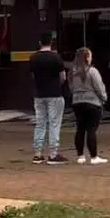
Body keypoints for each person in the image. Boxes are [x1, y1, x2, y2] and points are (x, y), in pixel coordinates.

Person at [29, 31, 67, 164]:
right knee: (54, 123)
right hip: (54, 93)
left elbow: (33, 76)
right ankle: (53, 154)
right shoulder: (56, 58)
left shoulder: (33, 58)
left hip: (39, 94)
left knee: (40, 123)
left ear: (40, 43)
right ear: (51, 42)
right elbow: (63, 77)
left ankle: (38, 153)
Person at [69, 47, 109, 165]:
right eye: (90, 56)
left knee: (80, 129)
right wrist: (104, 98)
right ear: (86, 57)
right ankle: (94, 157)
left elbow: (71, 88)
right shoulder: (92, 71)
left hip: (77, 103)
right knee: (91, 129)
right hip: (92, 103)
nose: (91, 58)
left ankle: (80, 156)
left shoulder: (72, 72)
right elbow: (99, 87)